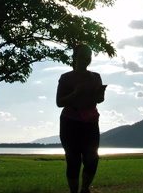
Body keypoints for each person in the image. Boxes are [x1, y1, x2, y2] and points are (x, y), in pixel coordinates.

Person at [56, 44, 107, 193]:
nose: (86, 58)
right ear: (75, 57)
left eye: (89, 55)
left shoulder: (95, 77)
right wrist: (75, 93)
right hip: (70, 122)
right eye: (83, 55)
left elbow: (98, 100)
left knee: (92, 159)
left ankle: (85, 189)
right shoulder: (66, 78)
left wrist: (100, 95)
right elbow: (59, 102)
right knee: (73, 161)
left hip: (90, 122)